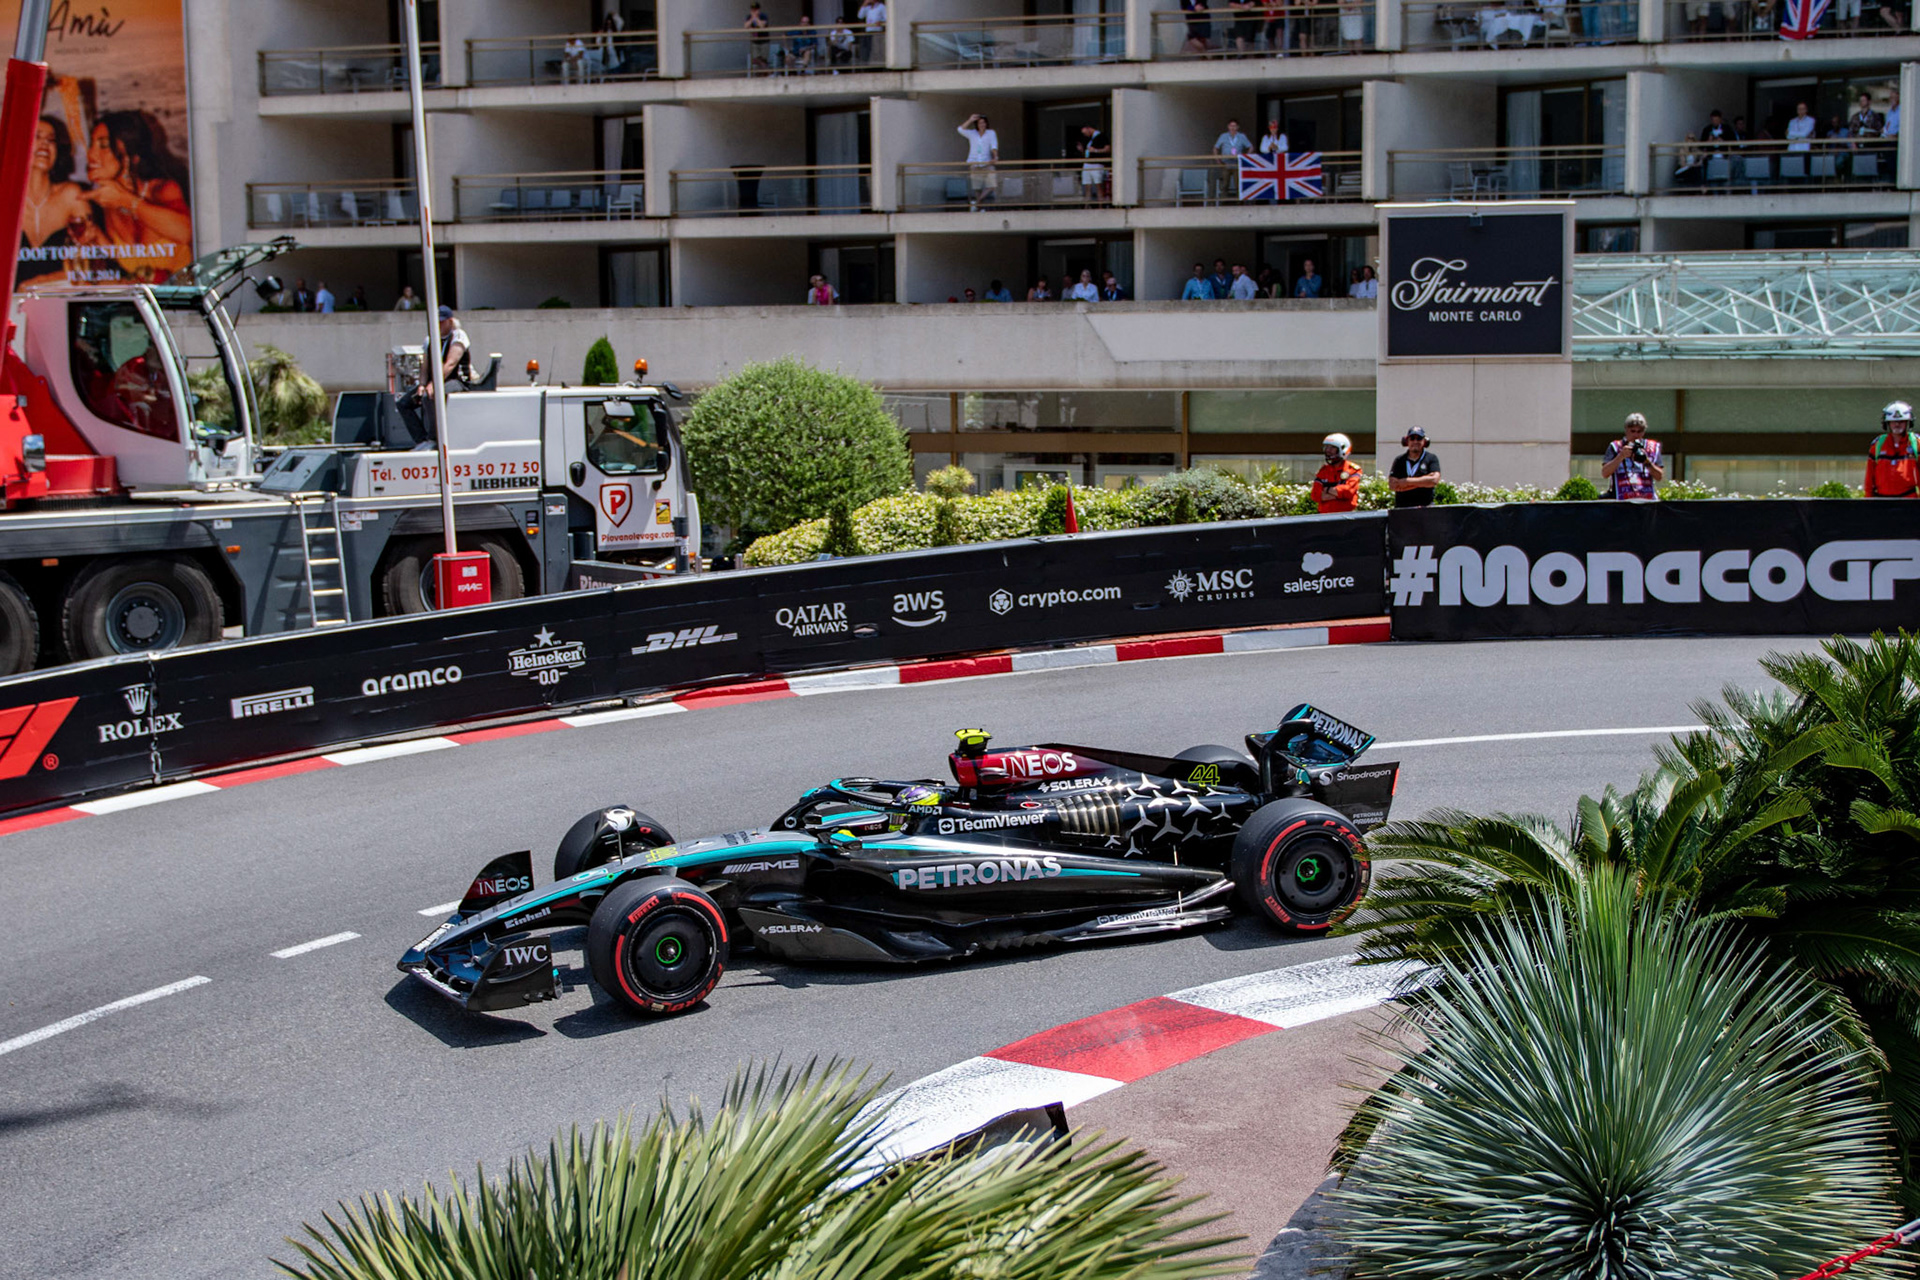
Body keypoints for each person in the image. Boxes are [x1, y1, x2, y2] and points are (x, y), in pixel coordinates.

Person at [73, 110, 192, 284]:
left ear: (132, 155)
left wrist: (126, 200)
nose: (90, 154)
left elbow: (186, 233)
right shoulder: (108, 203)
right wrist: (97, 238)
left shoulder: (163, 190)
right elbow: (134, 262)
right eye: (92, 144)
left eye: (103, 145)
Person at [19, 116, 90, 287]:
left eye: (51, 140)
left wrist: (38, 284)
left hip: (59, 299)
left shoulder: (71, 196)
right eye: (36, 136)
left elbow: (90, 267)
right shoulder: (4, 198)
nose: (45, 144)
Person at [1600, 411, 1664, 499]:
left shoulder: (1652, 447)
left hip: (1646, 499)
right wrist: (1621, 456)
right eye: (1632, 431)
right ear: (1626, 430)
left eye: (1639, 431)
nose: (1636, 435)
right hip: (1622, 498)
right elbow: (1605, 473)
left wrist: (1646, 461)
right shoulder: (1616, 446)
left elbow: (1659, 477)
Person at [1865, 400, 1919, 497]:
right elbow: (1869, 477)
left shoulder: (1916, 443)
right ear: (1887, 423)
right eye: (1893, 422)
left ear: (1908, 423)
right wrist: (1868, 501)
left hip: (1909, 500)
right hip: (1882, 501)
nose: (1897, 425)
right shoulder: (1878, 445)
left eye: (1901, 421)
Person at [1387, 426, 1442, 508]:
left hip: (1425, 508)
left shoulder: (1431, 458)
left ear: (1424, 441)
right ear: (1406, 441)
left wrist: (1406, 481)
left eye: (1419, 438)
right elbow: (1393, 485)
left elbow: (1434, 480)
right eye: (1412, 438)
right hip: (1402, 509)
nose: (1415, 441)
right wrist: (1424, 481)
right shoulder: (1399, 460)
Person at [1311, 433, 1363, 514]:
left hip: (1346, 516)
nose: (1328, 450)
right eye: (1327, 447)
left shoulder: (1352, 470)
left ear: (1343, 449)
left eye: (1332, 448)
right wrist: (1338, 495)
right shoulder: (1323, 471)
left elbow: (1348, 492)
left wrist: (1327, 490)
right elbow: (1315, 495)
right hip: (1324, 517)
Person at [958, 113, 998, 210]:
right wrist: (970, 120)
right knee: (977, 188)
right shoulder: (972, 133)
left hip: (987, 162)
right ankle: (979, 208)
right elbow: (960, 129)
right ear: (977, 124)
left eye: (984, 122)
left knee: (992, 185)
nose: (982, 125)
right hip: (974, 162)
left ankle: (976, 203)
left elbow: (994, 146)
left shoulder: (991, 133)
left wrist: (995, 157)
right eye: (980, 123)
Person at [428, 305, 471, 387]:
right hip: (436, 381)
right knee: (408, 398)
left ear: (450, 321)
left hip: (457, 381)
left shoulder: (458, 335)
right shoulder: (430, 338)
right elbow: (424, 367)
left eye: (441, 322)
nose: (438, 325)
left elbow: (450, 364)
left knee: (432, 395)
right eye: (436, 322)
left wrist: (434, 384)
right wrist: (422, 384)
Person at [1212, 118, 1253, 200]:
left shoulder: (1242, 136)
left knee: (1238, 184)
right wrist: (1218, 160)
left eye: (1234, 126)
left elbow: (1250, 147)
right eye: (1231, 126)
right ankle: (1224, 202)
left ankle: (1239, 202)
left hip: (1237, 163)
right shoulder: (1223, 136)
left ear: (1238, 127)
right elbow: (1215, 148)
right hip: (1226, 163)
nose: (1233, 128)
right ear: (1228, 127)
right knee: (1225, 184)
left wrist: (1245, 158)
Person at [1078, 123, 1109, 204]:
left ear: (1089, 128)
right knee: (1087, 185)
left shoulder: (1101, 136)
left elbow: (1107, 149)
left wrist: (1096, 150)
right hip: (1087, 163)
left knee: (1098, 185)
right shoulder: (1088, 139)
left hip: (1097, 163)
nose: (1085, 135)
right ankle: (1087, 205)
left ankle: (1100, 205)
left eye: (1085, 132)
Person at [744, 3, 771, 70]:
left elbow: (762, 26)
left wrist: (756, 18)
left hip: (764, 41)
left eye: (755, 9)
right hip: (755, 41)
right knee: (755, 60)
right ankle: (767, 72)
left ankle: (765, 73)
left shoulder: (763, 16)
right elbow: (746, 26)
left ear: (758, 10)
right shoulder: (749, 17)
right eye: (752, 10)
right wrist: (752, 19)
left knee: (763, 59)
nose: (754, 11)